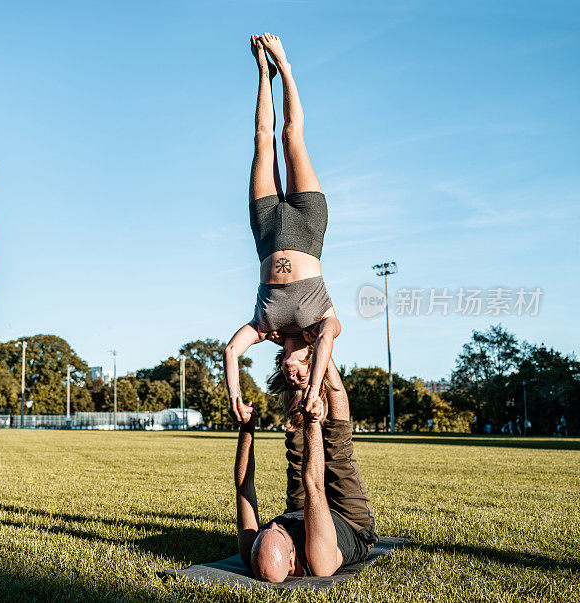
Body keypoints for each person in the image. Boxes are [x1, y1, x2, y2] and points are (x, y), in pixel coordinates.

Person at [225, 33, 340, 430]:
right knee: (292, 136)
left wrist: (236, 398)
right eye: (306, 379)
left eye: (293, 383)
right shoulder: (322, 325)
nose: (297, 379)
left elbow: (230, 351)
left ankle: (262, 72)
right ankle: (286, 68)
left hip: (267, 228)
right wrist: (313, 396)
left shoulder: (264, 328)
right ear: (314, 372)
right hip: (308, 224)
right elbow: (325, 344)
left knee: (262, 141)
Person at [233, 361, 378, 582]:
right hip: (349, 519)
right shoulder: (319, 561)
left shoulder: (250, 551)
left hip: (301, 507)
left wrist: (247, 428)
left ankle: (300, 356)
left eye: (266, 530)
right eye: (277, 531)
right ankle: (325, 355)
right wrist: (312, 420)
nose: (272, 524)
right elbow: (315, 487)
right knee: (337, 445)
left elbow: (244, 486)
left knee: (296, 442)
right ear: (292, 561)